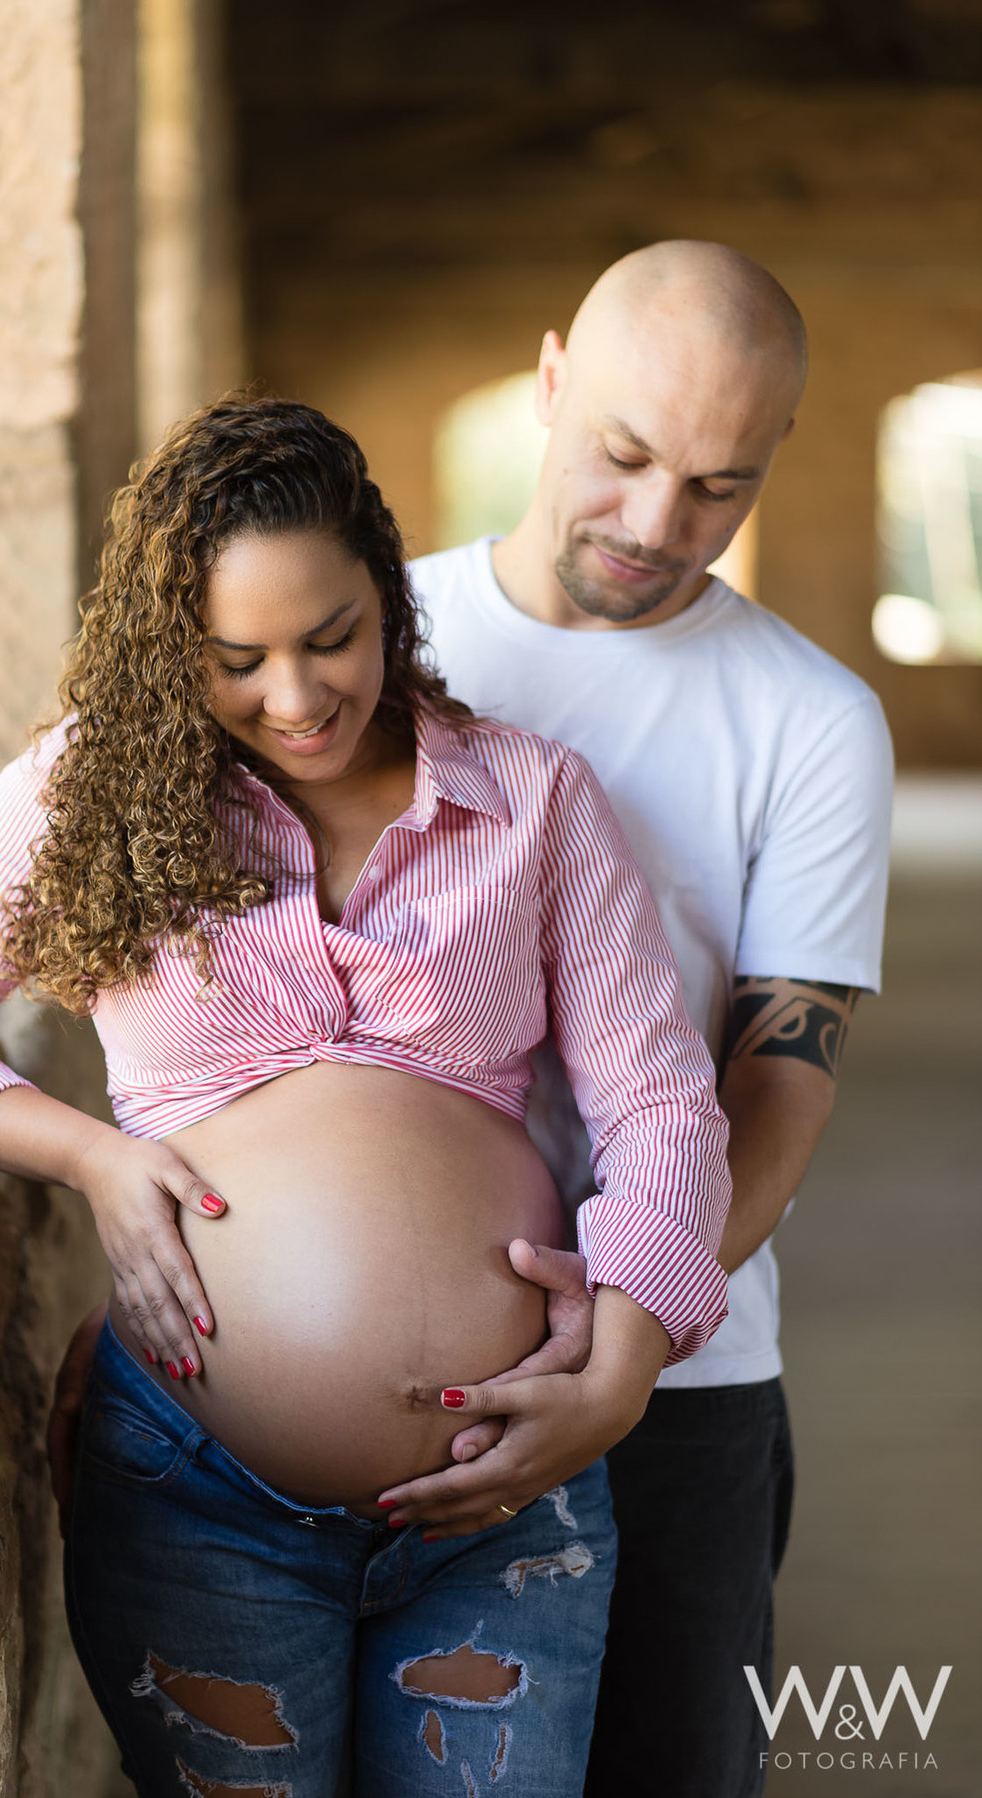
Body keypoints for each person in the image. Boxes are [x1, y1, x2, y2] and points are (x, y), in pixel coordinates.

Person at [0, 397, 733, 1797]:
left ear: (389, 594)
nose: (294, 697)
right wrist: (94, 1162)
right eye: (234, 660)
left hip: (510, 1501)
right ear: (168, 648)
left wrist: (618, 1369)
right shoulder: (90, 795)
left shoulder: (534, 804)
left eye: (333, 636)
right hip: (200, 1504)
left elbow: (663, 1106)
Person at [400, 240, 894, 1797]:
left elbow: (782, 1077)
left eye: (719, 486)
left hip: (677, 1390)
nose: (660, 526)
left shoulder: (813, 718)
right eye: (623, 456)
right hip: (379, 1364)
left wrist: (626, 1344)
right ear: (548, 382)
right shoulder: (365, 648)